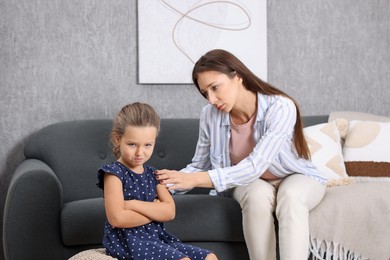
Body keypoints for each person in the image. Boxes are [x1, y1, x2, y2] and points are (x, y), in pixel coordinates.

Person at [155, 49, 328, 260]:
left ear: (237, 76)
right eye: (205, 93)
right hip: (251, 183)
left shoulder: (281, 107)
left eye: (215, 88)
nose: (211, 99)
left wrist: (194, 179)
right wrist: (161, 187)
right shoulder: (209, 115)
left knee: (291, 196)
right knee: (256, 195)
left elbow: (255, 166)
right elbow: (199, 165)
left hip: (295, 175)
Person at [97, 102, 218, 260]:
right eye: (132, 144)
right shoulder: (114, 174)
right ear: (117, 139)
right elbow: (118, 218)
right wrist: (155, 210)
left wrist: (132, 205)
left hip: (157, 238)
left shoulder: (154, 175)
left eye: (148, 145)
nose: (140, 152)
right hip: (128, 242)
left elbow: (169, 212)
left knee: (210, 257)